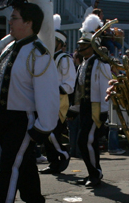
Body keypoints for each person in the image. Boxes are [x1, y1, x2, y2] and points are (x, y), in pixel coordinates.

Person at [0, 2, 59, 203]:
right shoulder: (10, 47)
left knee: (9, 165)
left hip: (22, 119)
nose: (10, 22)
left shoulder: (39, 53)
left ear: (28, 23)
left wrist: (44, 125)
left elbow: (48, 93)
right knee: (23, 164)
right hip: (5, 116)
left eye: (14, 18)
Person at [74, 13, 113, 188]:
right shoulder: (84, 63)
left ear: (93, 46)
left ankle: (95, 173)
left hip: (96, 108)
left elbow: (106, 88)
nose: (80, 48)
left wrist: (104, 111)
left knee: (86, 141)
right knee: (87, 141)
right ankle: (93, 172)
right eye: (80, 45)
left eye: (84, 45)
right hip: (85, 107)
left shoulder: (101, 63)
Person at [40, 14, 77, 175]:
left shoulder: (64, 59)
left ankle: (62, 154)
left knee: (51, 132)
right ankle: (53, 162)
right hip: (47, 99)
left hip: (58, 99)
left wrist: (52, 89)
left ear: (60, 44)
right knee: (45, 132)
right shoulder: (47, 58)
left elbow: (69, 84)